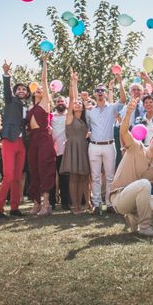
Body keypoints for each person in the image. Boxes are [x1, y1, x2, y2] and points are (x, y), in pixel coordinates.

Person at [109, 98, 153, 236]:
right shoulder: (136, 146)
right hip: (119, 198)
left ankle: (134, 218)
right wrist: (128, 112)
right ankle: (145, 227)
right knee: (145, 184)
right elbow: (123, 132)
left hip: (136, 200)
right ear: (150, 140)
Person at [0, 60, 29, 218]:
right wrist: (6, 74)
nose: (21, 90)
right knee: (8, 176)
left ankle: (14, 208)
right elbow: (6, 90)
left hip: (21, 143)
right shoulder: (10, 101)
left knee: (17, 177)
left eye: (24, 89)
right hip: (9, 140)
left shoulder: (26, 107)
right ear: (15, 92)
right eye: (19, 89)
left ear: (27, 93)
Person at [87, 74, 126, 213]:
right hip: (94, 146)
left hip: (110, 145)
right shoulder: (89, 111)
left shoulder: (112, 108)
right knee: (95, 176)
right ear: (95, 94)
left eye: (102, 90)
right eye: (98, 91)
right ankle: (97, 204)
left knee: (110, 176)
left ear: (105, 93)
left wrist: (120, 82)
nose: (100, 93)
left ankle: (110, 204)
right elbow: (85, 126)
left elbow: (123, 99)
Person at [25, 54, 56, 216]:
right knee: (34, 170)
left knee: (45, 169)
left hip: (44, 138)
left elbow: (44, 79)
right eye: (36, 89)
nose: (39, 89)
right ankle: (36, 203)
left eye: (41, 89)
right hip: (33, 140)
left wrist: (44, 62)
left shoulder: (45, 104)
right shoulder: (30, 108)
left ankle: (46, 205)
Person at [60, 70, 91, 214]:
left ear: (83, 106)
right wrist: (73, 83)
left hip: (83, 148)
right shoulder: (69, 118)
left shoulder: (85, 119)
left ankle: (87, 203)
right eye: (75, 103)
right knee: (74, 178)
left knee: (84, 176)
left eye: (80, 103)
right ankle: (75, 206)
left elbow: (76, 99)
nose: (77, 104)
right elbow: (73, 99)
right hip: (72, 148)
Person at [51, 95, 70, 210]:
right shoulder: (51, 116)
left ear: (66, 103)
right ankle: (52, 202)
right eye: (58, 101)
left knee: (64, 178)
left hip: (65, 151)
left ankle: (65, 202)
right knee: (52, 177)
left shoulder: (69, 115)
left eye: (62, 101)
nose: (60, 103)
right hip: (52, 150)